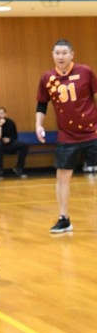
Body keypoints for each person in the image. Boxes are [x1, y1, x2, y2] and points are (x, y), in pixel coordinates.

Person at [36, 38, 97, 234]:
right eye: (57, 53)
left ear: (72, 54)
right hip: (67, 135)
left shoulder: (85, 72)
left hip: (92, 131)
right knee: (62, 176)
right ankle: (64, 218)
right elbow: (42, 104)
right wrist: (39, 124)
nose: (60, 56)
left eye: (64, 53)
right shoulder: (47, 78)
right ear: (53, 55)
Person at [0, 107, 29, 178]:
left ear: (5, 114)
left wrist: (9, 139)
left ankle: (18, 168)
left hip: (9, 145)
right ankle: (0, 171)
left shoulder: (11, 123)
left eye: (2, 113)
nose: (0, 115)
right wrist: (0, 125)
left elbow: (15, 136)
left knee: (24, 145)